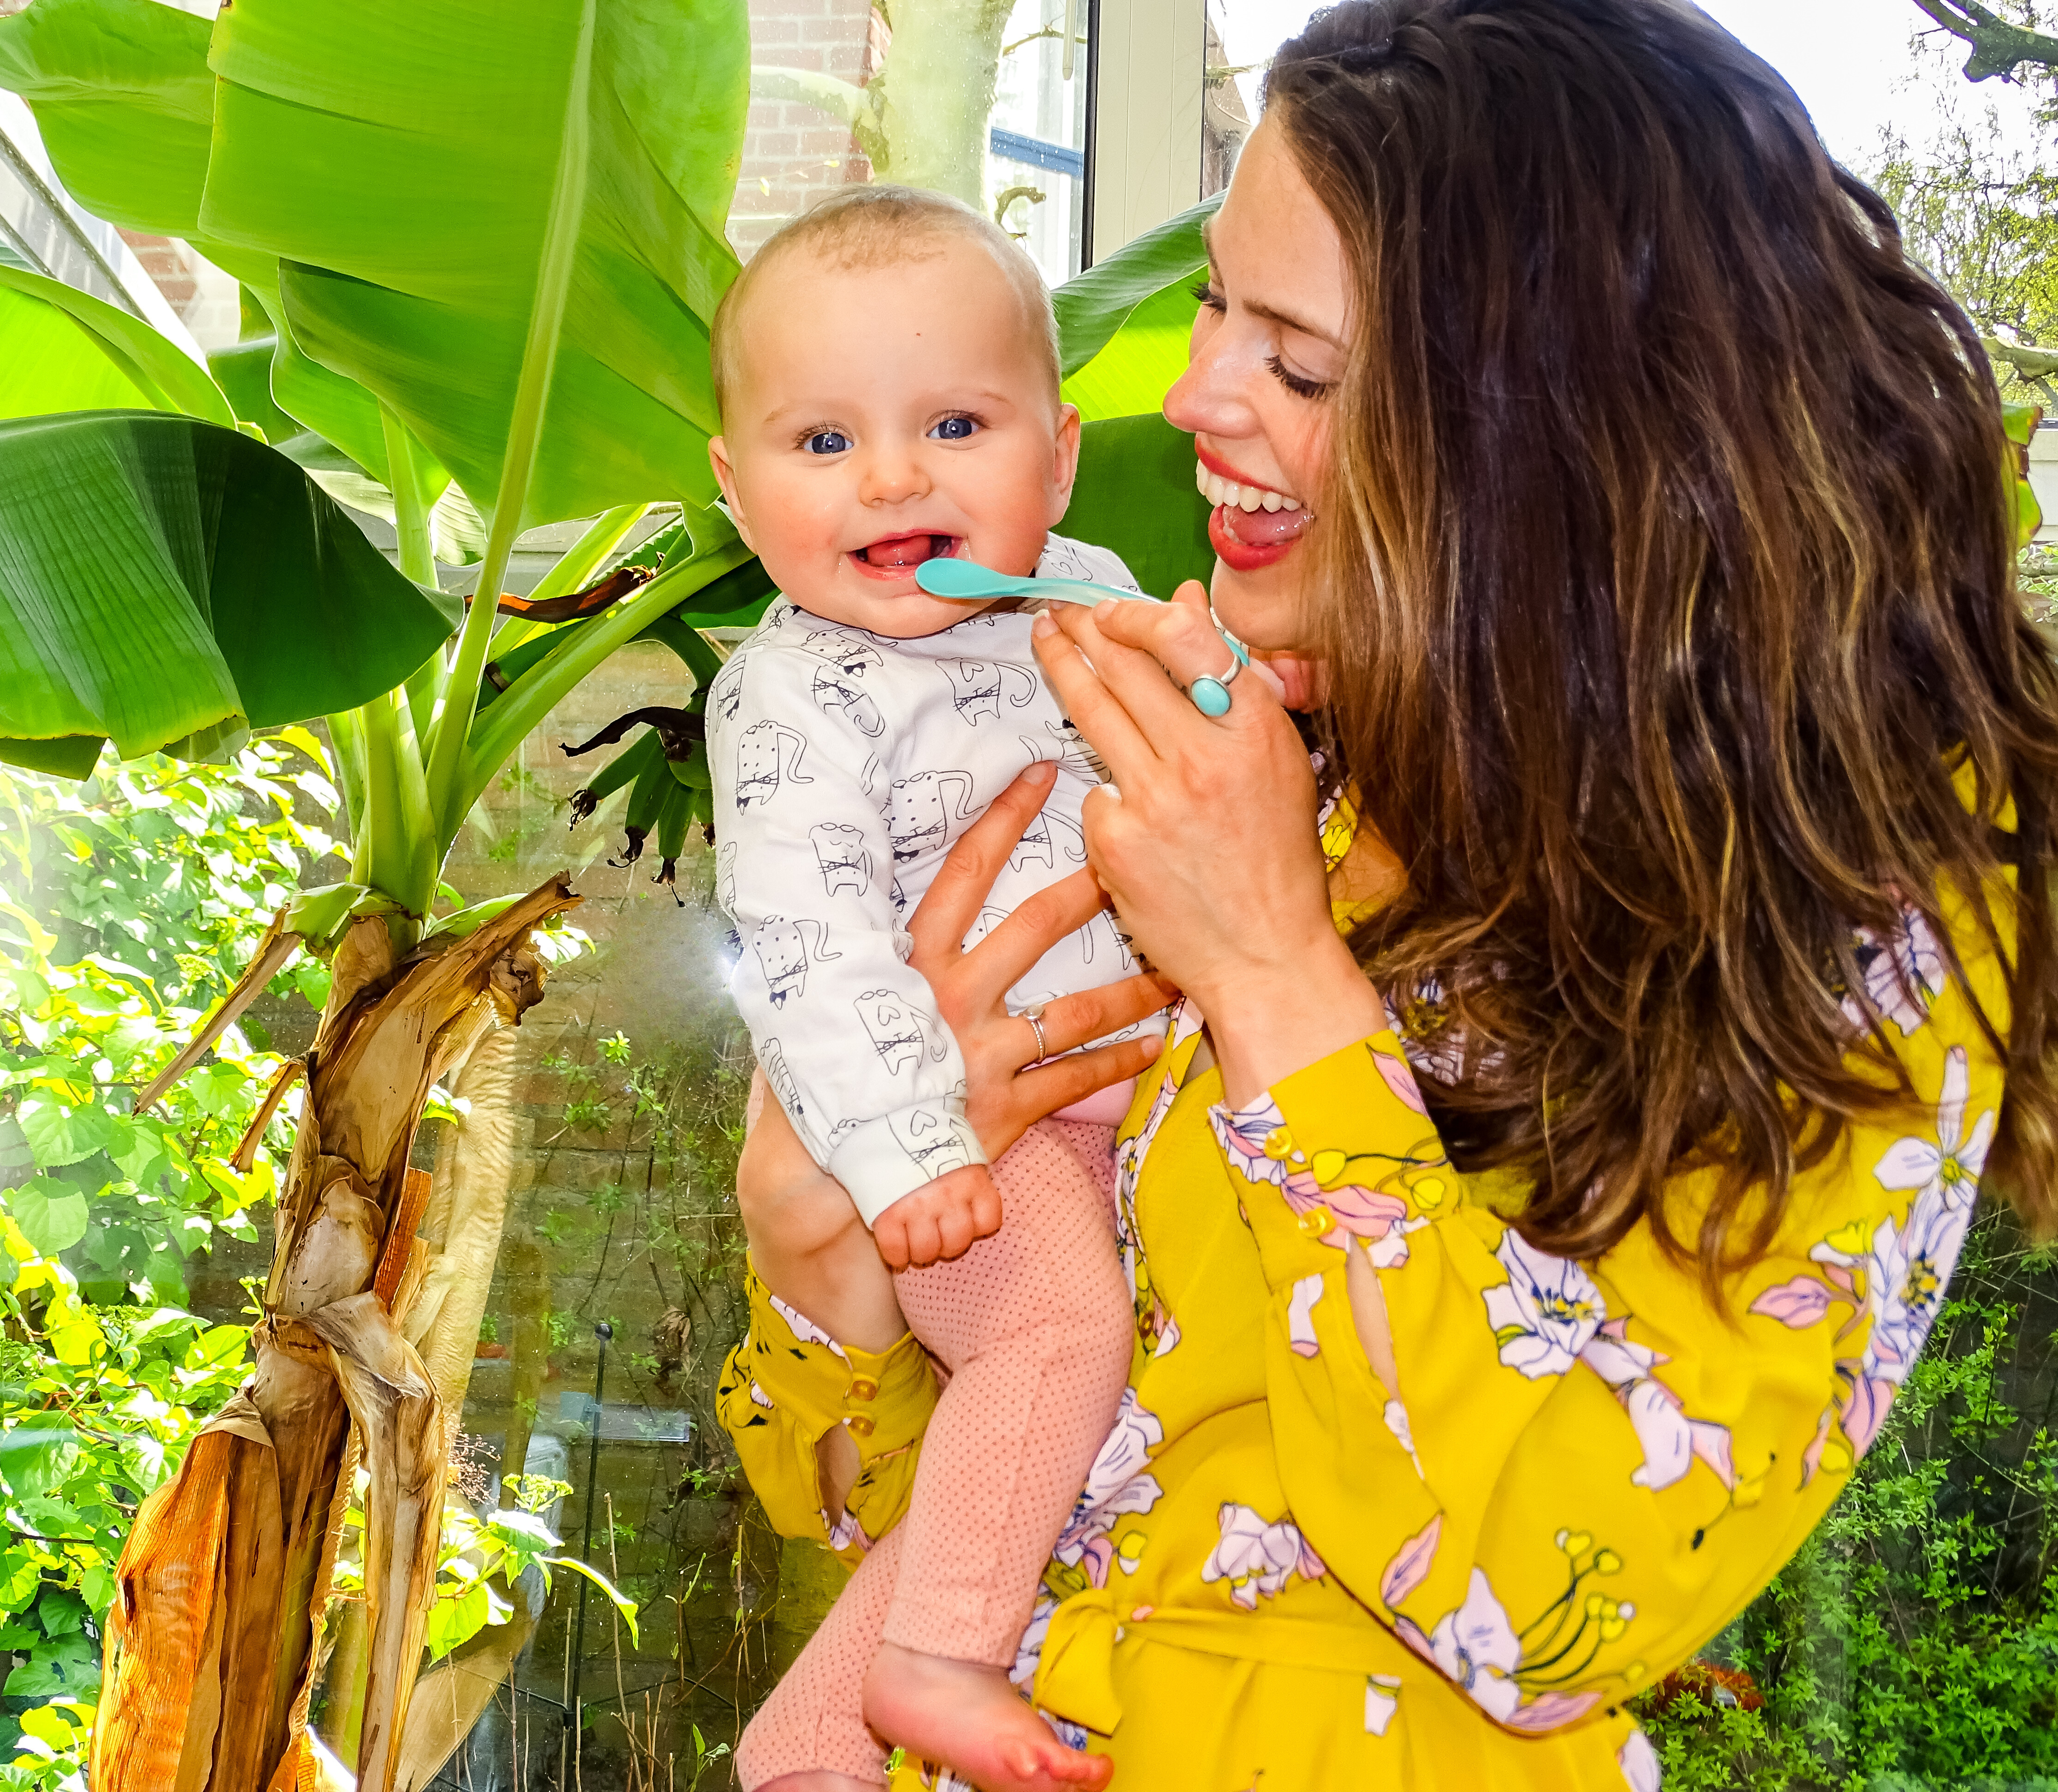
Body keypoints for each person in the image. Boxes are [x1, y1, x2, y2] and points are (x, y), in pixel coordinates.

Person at [717, 0, 2058, 1786]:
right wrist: (820, 1242)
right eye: (1214, 305)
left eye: (1299, 364)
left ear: (1548, 429)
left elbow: (1560, 1600)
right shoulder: (1263, 741)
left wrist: (1272, 971)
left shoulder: (1867, 889)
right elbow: (922, 1498)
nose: (1193, 395)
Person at [703, 186, 1176, 1791]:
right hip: (972, 1146)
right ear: (736, 489)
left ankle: (809, 1749)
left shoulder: (1081, 590)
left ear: (1059, 456)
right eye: (824, 440)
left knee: (1062, 1438)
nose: (894, 476)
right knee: (1057, 1339)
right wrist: (914, 1151)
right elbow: (810, 952)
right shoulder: (792, 698)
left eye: (956, 424)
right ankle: (936, 1659)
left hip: (1127, 1108)